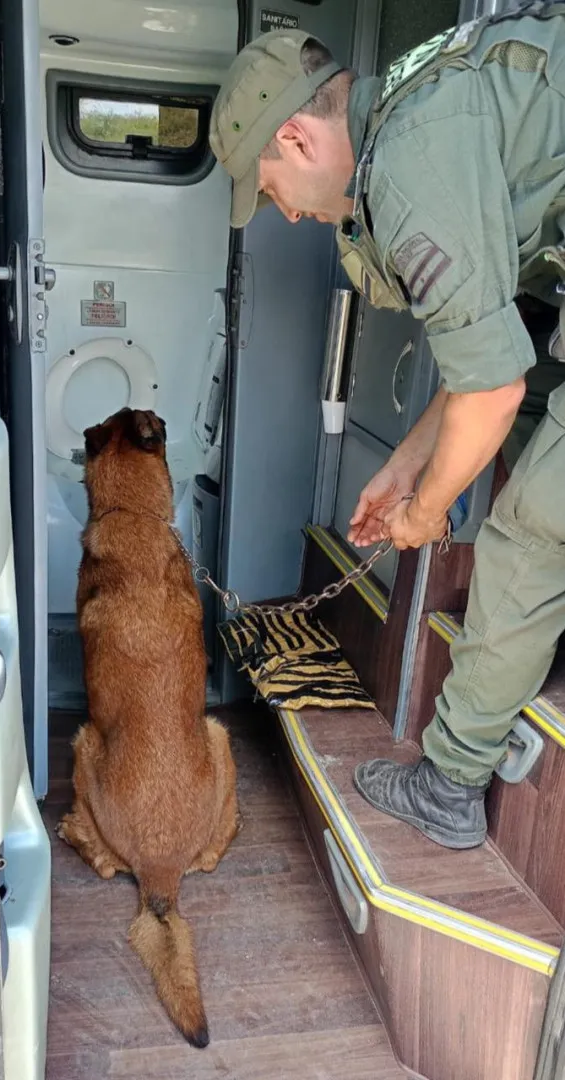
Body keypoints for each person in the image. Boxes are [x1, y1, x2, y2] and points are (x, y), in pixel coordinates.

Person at [209, 3, 565, 849]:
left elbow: (490, 389)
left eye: (267, 190)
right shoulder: (407, 116)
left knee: (527, 530)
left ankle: (446, 786)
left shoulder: (407, 164)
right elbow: (497, 343)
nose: (285, 214)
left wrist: (426, 511)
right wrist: (409, 468)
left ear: (295, 139)